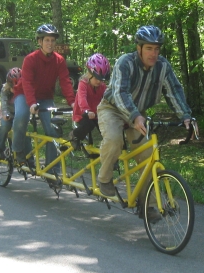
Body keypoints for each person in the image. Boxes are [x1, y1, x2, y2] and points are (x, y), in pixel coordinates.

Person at [97, 25, 194, 221]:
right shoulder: (125, 62)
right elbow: (119, 93)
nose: (154, 53)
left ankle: (147, 206)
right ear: (139, 48)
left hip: (137, 114)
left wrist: (186, 116)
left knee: (148, 156)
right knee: (115, 140)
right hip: (112, 108)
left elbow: (174, 91)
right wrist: (134, 116)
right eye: (149, 48)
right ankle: (104, 178)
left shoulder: (163, 67)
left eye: (157, 49)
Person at [12, 24, 75, 186]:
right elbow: (26, 82)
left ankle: (51, 170)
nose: (50, 43)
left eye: (52, 40)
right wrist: (32, 103)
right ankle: (18, 149)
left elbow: (65, 81)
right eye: (46, 40)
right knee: (21, 116)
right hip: (24, 94)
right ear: (40, 41)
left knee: (52, 130)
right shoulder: (30, 59)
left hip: (45, 97)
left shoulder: (59, 60)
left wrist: (73, 102)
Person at [69, 53, 110, 149]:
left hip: (96, 114)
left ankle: (110, 151)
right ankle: (74, 135)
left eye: (101, 79)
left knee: (108, 128)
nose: (99, 81)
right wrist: (86, 110)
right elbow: (82, 98)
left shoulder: (102, 86)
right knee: (88, 124)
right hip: (83, 114)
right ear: (89, 74)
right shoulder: (83, 84)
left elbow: (107, 97)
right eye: (96, 78)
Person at [0, 67, 34, 166]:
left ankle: (29, 158)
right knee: (5, 127)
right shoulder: (5, 90)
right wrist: (5, 114)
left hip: (18, 115)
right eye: (13, 84)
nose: (15, 87)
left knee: (24, 133)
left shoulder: (24, 90)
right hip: (8, 113)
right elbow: (3, 103)